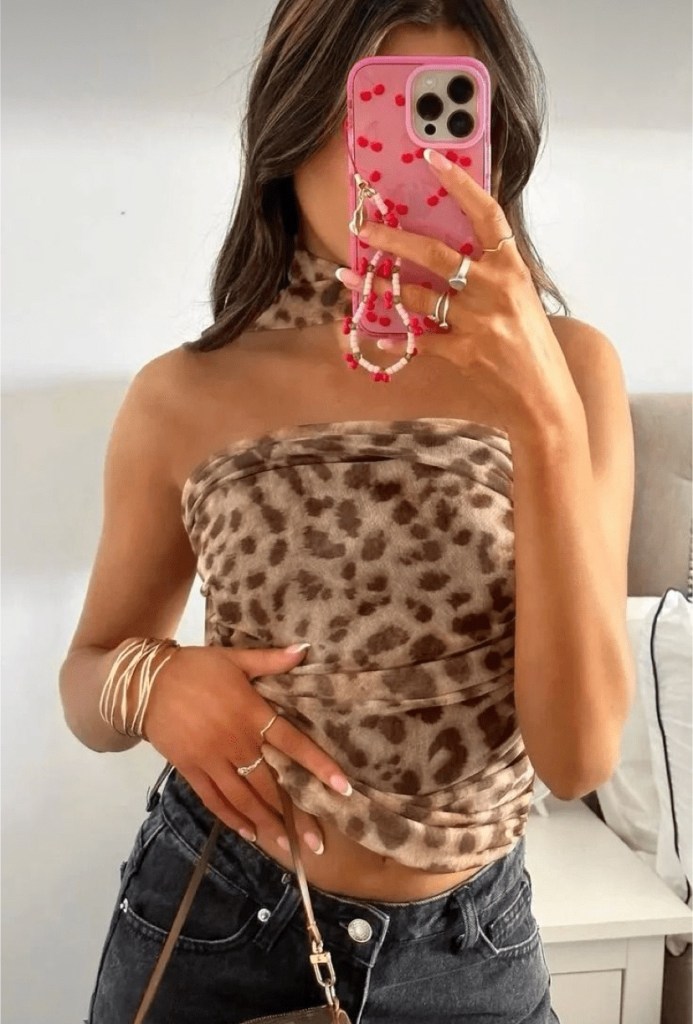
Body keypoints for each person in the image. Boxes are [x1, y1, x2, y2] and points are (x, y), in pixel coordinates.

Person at [60, 2, 636, 1022]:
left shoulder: (575, 372)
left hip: (470, 951)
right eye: (371, 113)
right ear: (290, 123)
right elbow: (89, 674)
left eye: (444, 114)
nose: (404, 164)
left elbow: (578, 753)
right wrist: (155, 684)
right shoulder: (182, 394)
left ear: (495, 138)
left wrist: (543, 415)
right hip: (218, 926)